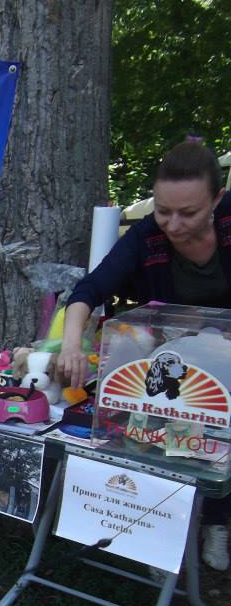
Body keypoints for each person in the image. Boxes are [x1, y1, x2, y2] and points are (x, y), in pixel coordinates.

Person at [57, 140, 231, 571]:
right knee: (151, 427)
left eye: (188, 213)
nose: (173, 224)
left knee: (215, 439)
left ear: (217, 199)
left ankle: (216, 520)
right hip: (170, 358)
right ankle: (159, 528)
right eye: (163, 211)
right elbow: (90, 289)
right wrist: (71, 345)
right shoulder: (146, 236)